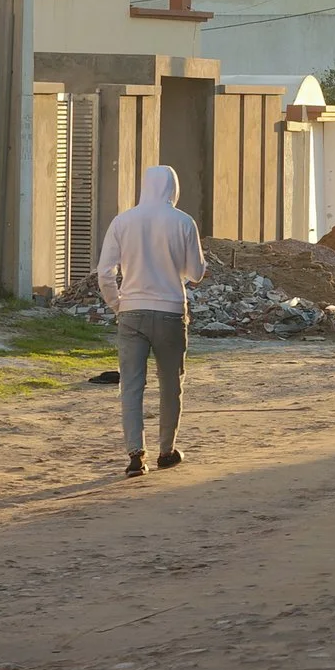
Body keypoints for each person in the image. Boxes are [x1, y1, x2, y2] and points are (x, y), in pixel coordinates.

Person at [95, 164, 208, 477]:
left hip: (131, 312)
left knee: (131, 385)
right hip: (171, 311)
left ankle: (135, 454)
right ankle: (166, 451)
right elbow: (196, 273)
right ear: (173, 188)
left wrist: (118, 304)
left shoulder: (123, 221)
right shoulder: (183, 222)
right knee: (171, 384)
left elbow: (104, 273)